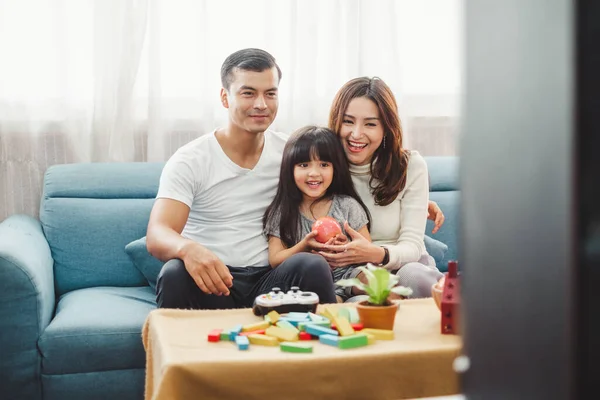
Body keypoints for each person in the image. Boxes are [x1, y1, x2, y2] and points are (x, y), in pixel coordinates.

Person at [146, 48, 338, 309]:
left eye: (270, 93)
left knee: (311, 265)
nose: (261, 104)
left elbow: (335, 187)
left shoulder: (291, 155)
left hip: (271, 279)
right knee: (173, 274)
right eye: (248, 93)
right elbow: (157, 234)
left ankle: (329, 346)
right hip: (213, 279)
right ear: (225, 98)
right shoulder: (190, 159)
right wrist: (188, 249)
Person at [314, 76, 445, 298]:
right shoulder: (322, 168)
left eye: (370, 124)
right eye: (348, 121)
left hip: (406, 265)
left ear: (386, 128)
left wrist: (377, 253)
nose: (356, 134)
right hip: (354, 272)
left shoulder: (410, 166)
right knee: (363, 300)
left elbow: (412, 246)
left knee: (412, 276)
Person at [263, 125, 372, 302]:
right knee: (329, 308)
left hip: (352, 273)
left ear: (335, 168)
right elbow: (275, 260)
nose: (314, 173)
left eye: (323, 164)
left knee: (379, 282)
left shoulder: (347, 205)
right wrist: (304, 246)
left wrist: (346, 247)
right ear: (290, 169)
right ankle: (337, 302)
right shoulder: (283, 212)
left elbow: (367, 249)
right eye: (304, 165)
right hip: (313, 283)